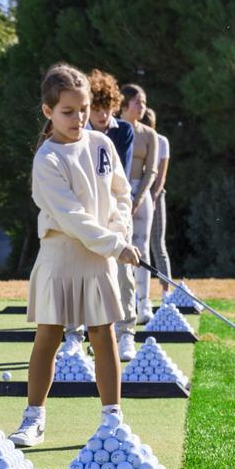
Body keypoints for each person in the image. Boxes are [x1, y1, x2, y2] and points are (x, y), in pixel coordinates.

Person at [9, 64, 139, 449]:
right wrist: (114, 245)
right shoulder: (46, 160)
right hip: (61, 254)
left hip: (99, 256)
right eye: (68, 111)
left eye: (83, 109)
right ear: (48, 111)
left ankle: (112, 419)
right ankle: (34, 419)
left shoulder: (102, 144)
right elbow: (73, 218)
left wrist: (119, 231)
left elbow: (119, 193)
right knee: (49, 333)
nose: (79, 118)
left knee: (103, 334)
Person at [62, 70, 135, 352]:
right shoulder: (76, 135)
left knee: (122, 273)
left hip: (113, 214)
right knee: (75, 273)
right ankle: (74, 336)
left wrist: (118, 227)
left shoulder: (123, 132)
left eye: (108, 108)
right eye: (98, 109)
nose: (104, 115)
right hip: (84, 217)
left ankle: (126, 332)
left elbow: (119, 179)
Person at [118, 83, 160, 331]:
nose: (142, 107)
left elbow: (152, 170)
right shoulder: (115, 128)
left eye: (144, 102)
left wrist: (139, 197)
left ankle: (144, 302)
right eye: (137, 102)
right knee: (121, 248)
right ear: (125, 104)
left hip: (140, 193)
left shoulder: (149, 134)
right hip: (117, 191)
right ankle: (125, 304)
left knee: (142, 248)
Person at [142, 107, 172, 291]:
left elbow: (161, 175)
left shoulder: (161, 142)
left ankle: (165, 292)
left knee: (157, 245)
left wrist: (152, 197)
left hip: (155, 194)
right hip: (137, 193)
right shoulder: (135, 137)